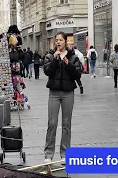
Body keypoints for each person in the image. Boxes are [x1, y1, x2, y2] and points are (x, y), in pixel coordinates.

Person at [43, 32, 82, 164]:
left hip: (68, 93)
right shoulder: (50, 55)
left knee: (66, 124)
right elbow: (47, 71)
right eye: (56, 40)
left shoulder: (73, 56)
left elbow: (77, 74)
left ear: (66, 42)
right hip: (54, 93)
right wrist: (55, 59)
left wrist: (67, 63)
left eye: (60, 40)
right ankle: (48, 154)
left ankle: (65, 153)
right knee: (52, 123)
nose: (58, 42)